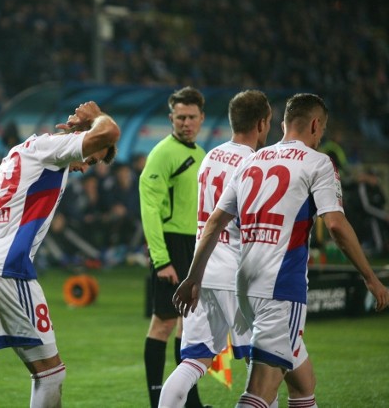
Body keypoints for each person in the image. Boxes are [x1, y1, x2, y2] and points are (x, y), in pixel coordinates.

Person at [174, 93, 389, 408]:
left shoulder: (250, 160)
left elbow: (214, 222)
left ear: (284, 122)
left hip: (244, 287)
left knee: (304, 383)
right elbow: (336, 226)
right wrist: (371, 277)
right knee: (260, 389)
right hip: (281, 288)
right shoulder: (318, 162)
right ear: (315, 125)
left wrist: (193, 277)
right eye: (322, 129)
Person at [0, 101, 120, 408]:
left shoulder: (24, 151)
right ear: (79, 138)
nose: (84, 167)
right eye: (89, 159)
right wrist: (95, 118)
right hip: (6, 269)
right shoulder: (52, 150)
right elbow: (110, 130)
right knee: (50, 374)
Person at [159, 90, 272, 408]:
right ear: (262, 124)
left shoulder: (211, 156)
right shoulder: (254, 163)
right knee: (262, 367)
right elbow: (252, 226)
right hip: (236, 276)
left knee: (193, 362)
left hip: (202, 272)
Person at [139, 86, 209, 408]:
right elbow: (149, 209)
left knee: (188, 324)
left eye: (192, 117)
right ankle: (157, 400)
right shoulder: (162, 154)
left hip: (192, 243)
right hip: (169, 243)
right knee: (164, 322)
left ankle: (189, 402)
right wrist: (161, 260)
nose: (186, 123)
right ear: (171, 118)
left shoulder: (199, 153)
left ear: (201, 118)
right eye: (180, 117)